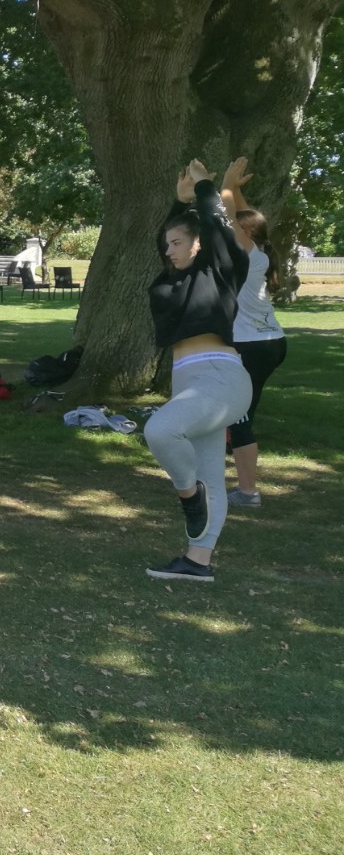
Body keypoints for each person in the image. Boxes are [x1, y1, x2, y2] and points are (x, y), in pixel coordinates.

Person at [140, 160, 253, 583]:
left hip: (221, 378)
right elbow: (168, 240)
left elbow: (217, 228)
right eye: (166, 244)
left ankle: (190, 499)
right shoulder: (170, 282)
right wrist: (179, 202)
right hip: (189, 380)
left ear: (199, 243)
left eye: (177, 243)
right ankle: (197, 561)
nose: (169, 250)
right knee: (210, 477)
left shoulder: (220, 271)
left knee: (160, 430)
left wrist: (206, 188)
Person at [220, 156, 286, 508]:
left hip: (251, 346)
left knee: (239, 418)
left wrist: (225, 185)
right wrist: (237, 191)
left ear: (245, 235)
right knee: (239, 411)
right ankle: (219, 466)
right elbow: (247, 220)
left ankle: (248, 493)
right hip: (270, 342)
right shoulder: (259, 250)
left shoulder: (247, 254)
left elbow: (231, 218)